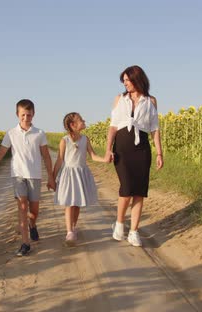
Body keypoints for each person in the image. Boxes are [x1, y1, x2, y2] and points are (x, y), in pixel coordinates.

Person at [0, 99, 55, 256]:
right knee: (22, 206)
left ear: (33, 114)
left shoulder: (40, 133)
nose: (25, 118)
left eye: (28, 115)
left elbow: (46, 156)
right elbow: (0, 154)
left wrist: (51, 177)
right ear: (17, 114)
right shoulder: (11, 133)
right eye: (23, 115)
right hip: (18, 175)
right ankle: (25, 242)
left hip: (35, 176)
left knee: (34, 210)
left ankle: (33, 224)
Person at [103, 65, 164, 247]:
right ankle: (120, 223)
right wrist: (108, 149)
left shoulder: (151, 101)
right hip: (122, 147)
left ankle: (134, 231)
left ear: (137, 79)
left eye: (128, 80)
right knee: (127, 188)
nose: (125, 83)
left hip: (142, 148)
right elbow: (113, 126)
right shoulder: (119, 99)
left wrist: (159, 152)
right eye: (124, 81)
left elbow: (154, 129)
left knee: (139, 192)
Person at [52, 112, 105, 246]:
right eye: (81, 120)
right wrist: (52, 178)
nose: (84, 121)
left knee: (77, 204)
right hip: (69, 174)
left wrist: (105, 159)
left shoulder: (85, 139)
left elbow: (92, 155)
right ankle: (69, 231)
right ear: (73, 125)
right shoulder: (65, 140)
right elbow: (59, 160)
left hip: (81, 173)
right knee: (69, 203)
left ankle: (73, 227)